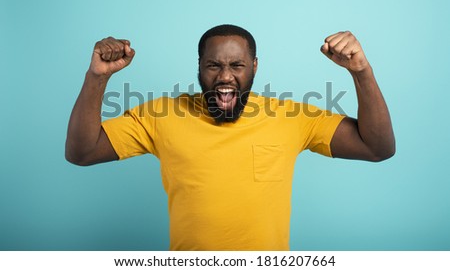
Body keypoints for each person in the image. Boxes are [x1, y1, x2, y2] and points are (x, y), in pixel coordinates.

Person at [65, 24, 395, 250]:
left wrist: (361, 71)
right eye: (213, 65)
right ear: (199, 66)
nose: (225, 77)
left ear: (254, 66)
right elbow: (82, 152)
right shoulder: (159, 116)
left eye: (237, 65)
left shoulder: (293, 117)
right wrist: (97, 77)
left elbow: (376, 147)